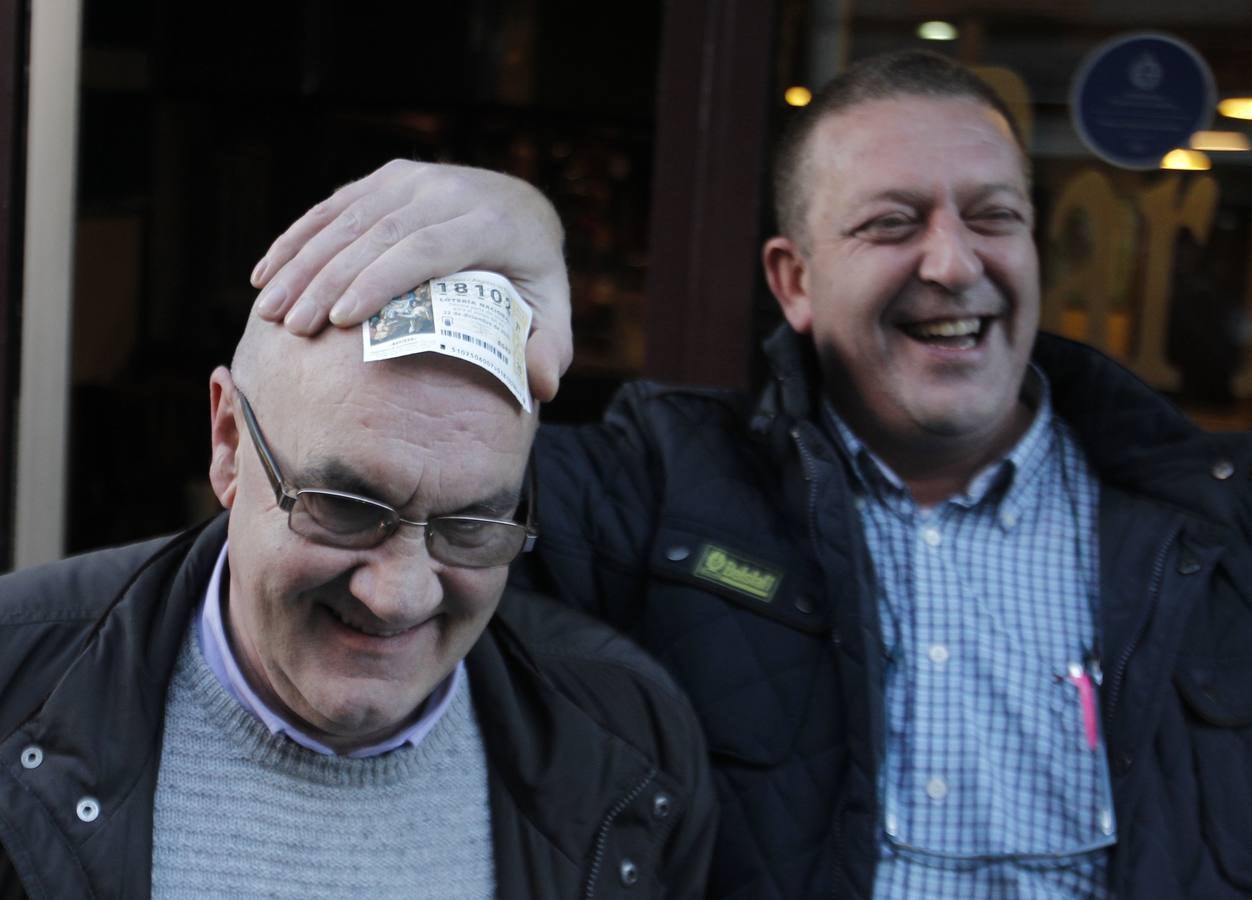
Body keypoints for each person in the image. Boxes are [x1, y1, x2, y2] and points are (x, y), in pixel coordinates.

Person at [251, 51, 1252, 899]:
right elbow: (333, 502)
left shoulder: (1205, 524)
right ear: (793, 282)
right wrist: (516, 236)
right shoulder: (662, 488)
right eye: (891, 224)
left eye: (992, 217)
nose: (952, 263)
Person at [0, 284, 715, 897]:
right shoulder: (14, 676)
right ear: (228, 443)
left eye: (470, 524)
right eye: (344, 507)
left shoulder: (629, 742)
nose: (399, 596)